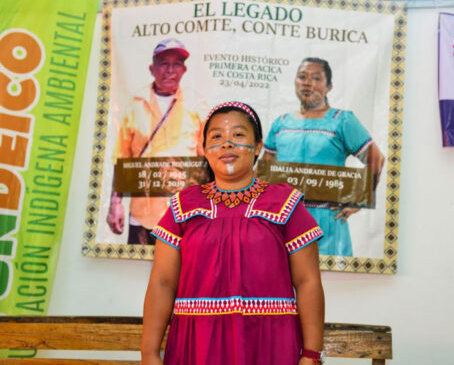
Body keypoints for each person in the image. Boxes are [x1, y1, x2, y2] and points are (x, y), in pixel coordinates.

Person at [142, 101, 326, 365]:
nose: (227, 144)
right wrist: (149, 353)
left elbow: (308, 281)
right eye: (216, 137)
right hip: (196, 345)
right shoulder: (183, 205)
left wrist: (311, 355)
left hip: (268, 344)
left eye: (238, 135)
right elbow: (162, 282)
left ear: (259, 146)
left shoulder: (285, 203)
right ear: (204, 149)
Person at [263, 57, 385, 257]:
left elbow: (376, 159)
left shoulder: (342, 121)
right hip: (282, 222)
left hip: (326, 223)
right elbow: (265, 173)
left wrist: (358, 199)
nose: (308, 83)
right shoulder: (281, 124)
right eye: (302, 77)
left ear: (329, 86)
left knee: (328, 285)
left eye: (316, 78)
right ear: (295, 82)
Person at [106, 38, 203, 245]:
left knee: (181, 275)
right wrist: (115, 203)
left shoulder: (197, 106)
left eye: (177, 64)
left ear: (184, 70)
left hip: (184, 217)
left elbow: (208, 163)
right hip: (142, 215)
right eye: (164, 63)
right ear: (152, 69)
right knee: (136, 274)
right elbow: (122, 158)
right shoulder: (135, 104)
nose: (170, 70)